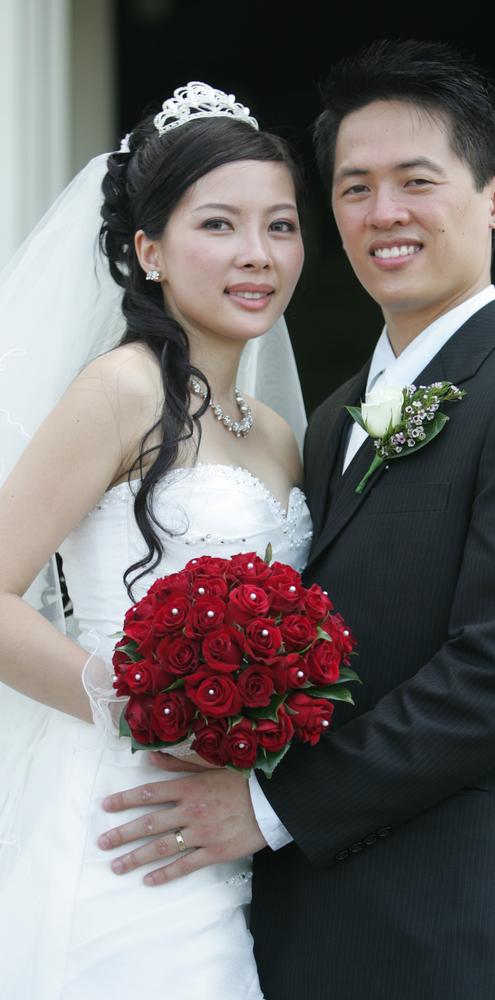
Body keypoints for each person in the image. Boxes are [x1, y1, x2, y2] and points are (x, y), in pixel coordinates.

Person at [99, 42, 495, 1000]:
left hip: (442, 934)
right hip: (285, 928)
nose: (383, 213)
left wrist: (265, 806)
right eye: (353, 188)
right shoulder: (332, 419)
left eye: (415, 181)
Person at [0, 82, 310, 998]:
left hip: (238, 832)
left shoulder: (277, 435)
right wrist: (136, 707)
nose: (257, 255)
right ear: (149, 251)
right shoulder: (124, 391)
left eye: (282, 226)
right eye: (219, 225)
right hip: (119, 818)